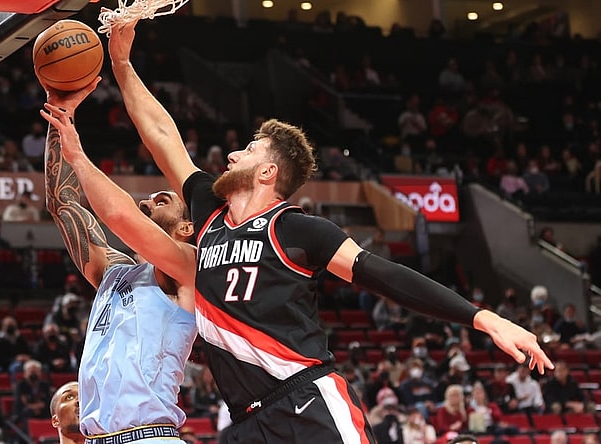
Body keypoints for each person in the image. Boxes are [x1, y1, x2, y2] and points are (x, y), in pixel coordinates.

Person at [105, 19, 553, 444]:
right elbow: (163, 135)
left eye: (249, 149)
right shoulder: (208, 213)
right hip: (245, 421)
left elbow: (387, 277)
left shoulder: (298, 229)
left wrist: (484, 318)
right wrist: (123, 66)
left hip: (308, 400)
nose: (233, 154)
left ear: (267, 171)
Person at [38, 77, 198, 442]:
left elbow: (121, 217)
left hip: (149, 436)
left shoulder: (188, 268)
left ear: (188, 227)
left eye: (162, 201)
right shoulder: (114, 272)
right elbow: (62, 205)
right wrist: (60, 112)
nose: (146, 203)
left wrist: (77, 154)